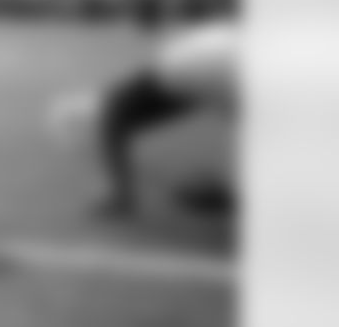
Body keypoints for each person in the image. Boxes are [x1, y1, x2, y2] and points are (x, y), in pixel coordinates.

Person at [48, 19, 237, 217]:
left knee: (117, 107)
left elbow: (117, 107)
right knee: (119, 106)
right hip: (210, 62)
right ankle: (119, 195)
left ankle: (118, 196)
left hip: (208, 64)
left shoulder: (188, 62)